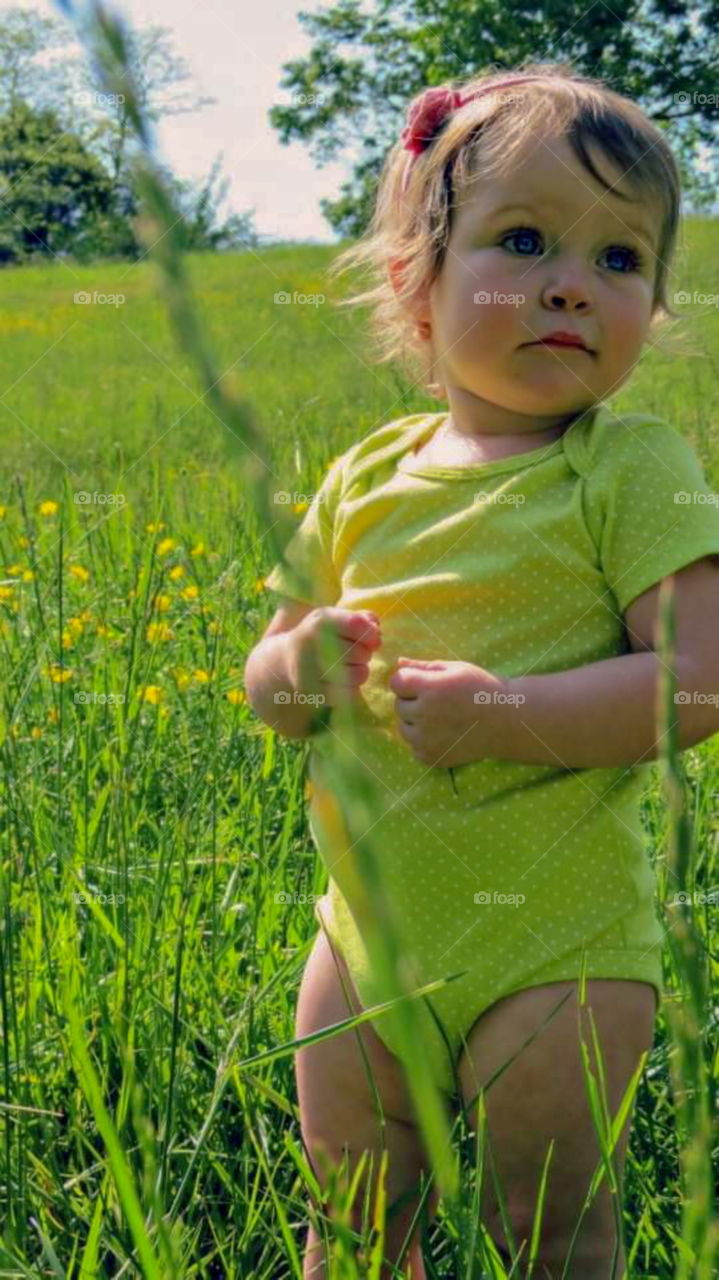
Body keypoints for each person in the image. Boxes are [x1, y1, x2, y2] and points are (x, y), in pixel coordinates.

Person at [244, 58, 719, 1279]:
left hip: (556, 946)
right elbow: (278, 701)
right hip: (364, 937)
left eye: (620, 260)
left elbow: (697, 680)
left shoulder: (628, 467)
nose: (573, 283)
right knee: (349, 1223)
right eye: (523, 240)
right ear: (416, 284)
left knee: (549, 1229)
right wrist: (296, 663)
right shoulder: (364, 474)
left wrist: (505, 712)